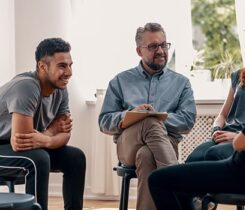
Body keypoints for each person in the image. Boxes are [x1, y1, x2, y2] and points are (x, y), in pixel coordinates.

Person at [148, 31, 245, 210]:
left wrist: (244, 139)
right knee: (183, 184)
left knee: (157, 179)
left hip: (243, 174)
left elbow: (239, 143)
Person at [99, 22, 196, 210]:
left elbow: (187, 121)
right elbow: (104, 122)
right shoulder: (120, 81)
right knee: (149, 122)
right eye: (153, 46)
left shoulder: (181, 83)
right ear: (139, 51)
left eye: (164, 45)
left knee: (146, 155)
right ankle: (185, 194)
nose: (160, 51)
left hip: (167, 144)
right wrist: (132, 115)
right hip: (128, 145)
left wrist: (156, 117)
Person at [0, 38, 86, 210]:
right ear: (42, 67)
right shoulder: (26, 87)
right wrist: (52, 131)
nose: (68, 72)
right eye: (62, 66)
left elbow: (65, 134)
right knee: (38, 158)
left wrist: (45, 138)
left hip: (25, 145)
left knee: (76, 157)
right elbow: (23, 143)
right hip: (5, 145)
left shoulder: (61, 88)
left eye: (70, 65)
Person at [186, 19, 245, 162]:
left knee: (213, 154)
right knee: (193, 159)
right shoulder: (239, 75)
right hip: (223, 135)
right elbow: (223, 115)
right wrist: (216, 130)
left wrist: (238, 136)